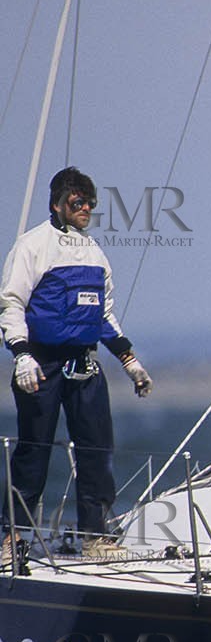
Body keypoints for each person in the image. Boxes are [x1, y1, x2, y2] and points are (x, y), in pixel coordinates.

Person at [0, 166, 153, 564]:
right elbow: (11, 302)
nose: (85, 209)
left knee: (97, 450)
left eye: (90, 204)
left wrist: (130, 361)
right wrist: (21, 355)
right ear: (57, 204)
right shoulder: (32, 246)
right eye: (77, 202)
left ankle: (95, 536)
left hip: (84, 367)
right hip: (40, 363)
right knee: (33, 451)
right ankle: (12, 536)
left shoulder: (95, 254)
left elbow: (104, 315)